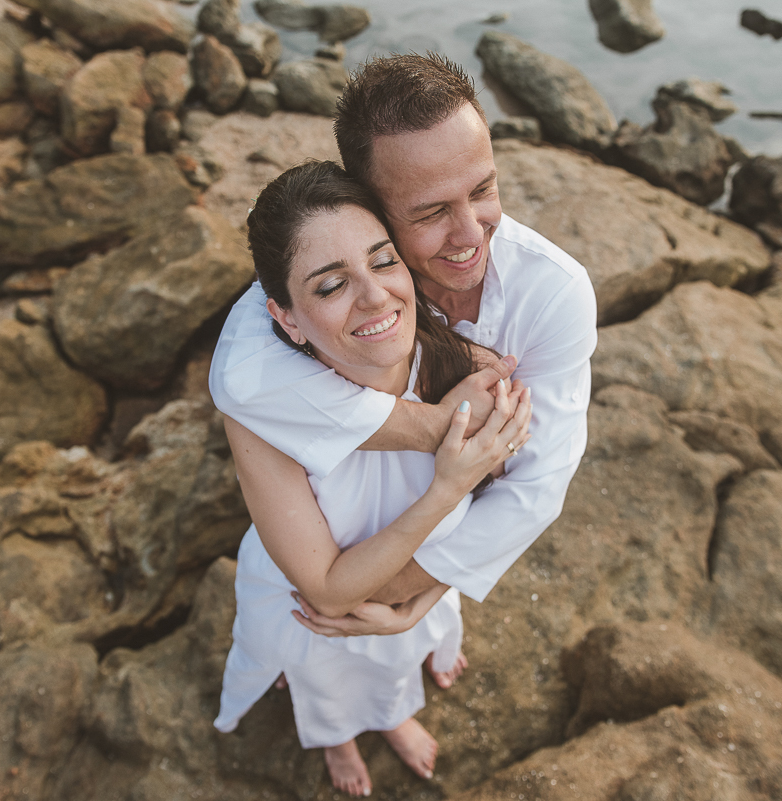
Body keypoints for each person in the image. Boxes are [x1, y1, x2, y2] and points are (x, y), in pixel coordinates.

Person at [210, 53, 598, 629]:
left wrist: (413, 595)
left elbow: (539, 482)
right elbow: (237, 381)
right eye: (431, 212)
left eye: (483, 189)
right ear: (369, 206)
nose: (470, 234)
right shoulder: (327, 273)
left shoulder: (553, 291)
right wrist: (437, 428)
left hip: (411, 552)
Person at [213, 160, 532, 797]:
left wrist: (426, 596)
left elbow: (516, 504)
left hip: (417, 572)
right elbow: (328, 593)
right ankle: (334, 736)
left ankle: (390, 715)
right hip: (313, 603)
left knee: (395, 654)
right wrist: (445, 488)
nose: (376, 297)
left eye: (383, 261)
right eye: (331, 285)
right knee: (323, 664)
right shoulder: (262, 420)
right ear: (287, 318)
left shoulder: (467, 369)